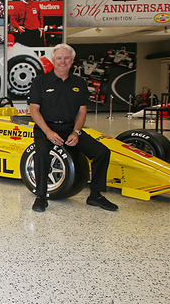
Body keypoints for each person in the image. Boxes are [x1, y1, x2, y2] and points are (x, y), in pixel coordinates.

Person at [28, 43, 117, 212]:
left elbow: (82, 111)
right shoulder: (40, 81)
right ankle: (41, 196)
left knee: (102, 152)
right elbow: (34, 109)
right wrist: (48, 132)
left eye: (67, 58)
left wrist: (76, 132)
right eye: (59, 58)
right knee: (41, 155)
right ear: (53, 60)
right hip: (45, 129)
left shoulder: (80, 83)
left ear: (72, 61)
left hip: (70, 129)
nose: (63, 61)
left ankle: (96, 196)